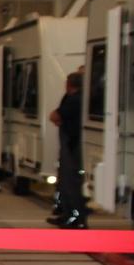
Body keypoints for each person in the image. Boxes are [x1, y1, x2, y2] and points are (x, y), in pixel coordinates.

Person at [48, 72, 88, 229]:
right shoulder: (73, 98)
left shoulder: (74, 100)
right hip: (69, 147)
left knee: (72, 185)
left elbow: (55, 116)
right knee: (65, 183)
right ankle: (67, 214)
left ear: (70, 84)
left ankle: (76, 218)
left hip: (72, 148)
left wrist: (59, 119)